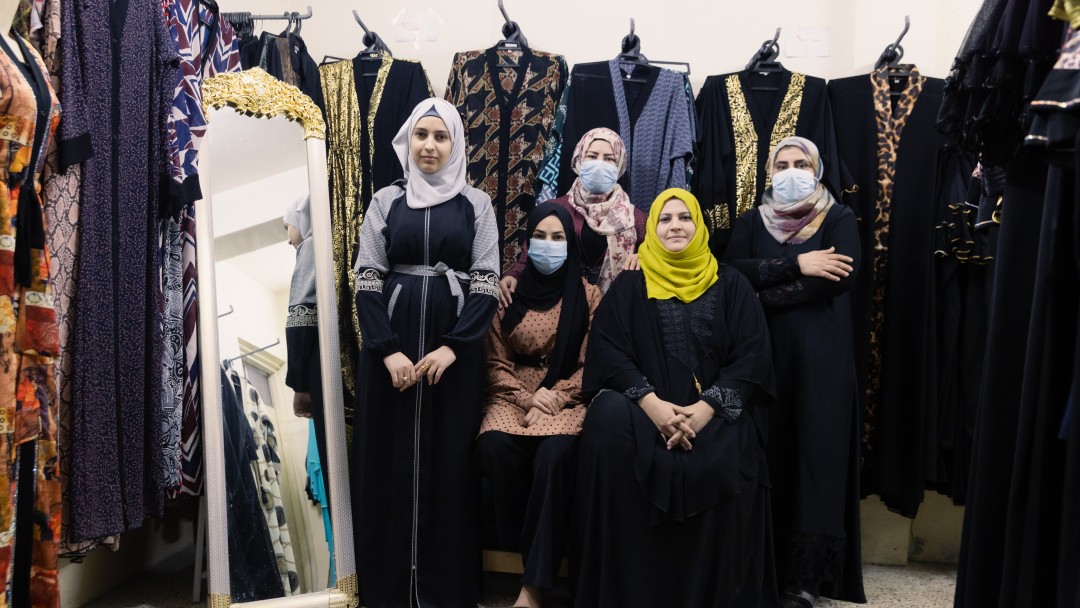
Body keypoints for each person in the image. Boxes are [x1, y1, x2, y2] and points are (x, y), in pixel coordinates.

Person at [572, 188, 778, 607]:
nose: (675, 226)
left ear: (699, 225)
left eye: (685, 217)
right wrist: (651, 403)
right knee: (606, 419)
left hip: (713, 415)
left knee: (735, 444)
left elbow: (752, 356)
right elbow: (608, 351)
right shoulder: (631, 284)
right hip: (644, 414)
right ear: (654, 229)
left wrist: (705, 410)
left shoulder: (732, 284)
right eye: (665, 219)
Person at [350, 98, 501, 608]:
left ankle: (443, 588)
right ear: (407, 141)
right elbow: (367, 279)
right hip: (389, 354)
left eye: (440, 137)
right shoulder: (385, 201)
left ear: (455, 143)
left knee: (449, 460)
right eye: (421, 135)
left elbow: (485, 283)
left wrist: (452, 349)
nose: (430, 146)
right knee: (389, 459)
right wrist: (387, 350)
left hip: (451, 357)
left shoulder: (477, 204)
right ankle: (388, 588)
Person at [723, 136, 865, 608]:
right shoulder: (750, 221)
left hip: (822, 362)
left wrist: (765, 291)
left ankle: (805, 580)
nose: (790, 171)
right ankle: (760, 565)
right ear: (767, 171)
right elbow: (731, 273)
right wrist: (798, 262)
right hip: (762, 359)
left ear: (818, 168)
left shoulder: (839, 218)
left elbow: (838, 278)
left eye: (800, 163)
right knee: (768, 454)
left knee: (814, 459)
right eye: (781, 164)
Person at [475, 203, 603, 608]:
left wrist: (556, 396)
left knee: (554, 455)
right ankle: (523, 544)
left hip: (566, 396)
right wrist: (527, 397)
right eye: (540, 237)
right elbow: (494, 361)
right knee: (493, 446)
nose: (548, 245)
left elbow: (594, 362)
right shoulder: (506, 294)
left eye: (558, 237)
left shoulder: (589, 295)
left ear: (572, 242)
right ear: (528, 243)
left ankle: (533, 586)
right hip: (513, 393)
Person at [500, 128, 646, 306]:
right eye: (592, 156)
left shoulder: (634, 218)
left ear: (620, 165)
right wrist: (512, 275)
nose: (599, 164)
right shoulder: (554, 209)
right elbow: (529, 254)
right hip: (562, 308)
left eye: (609, 159)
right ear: (579, 159)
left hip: (614, 309)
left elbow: (658, 251)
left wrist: (644, 255)